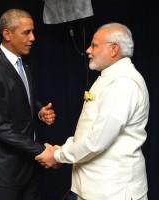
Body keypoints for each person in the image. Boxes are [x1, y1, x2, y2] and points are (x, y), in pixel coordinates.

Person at [35, 22, 149, 200]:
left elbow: (97, 141)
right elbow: (90, 131)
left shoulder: (123, 84)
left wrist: (58, 155)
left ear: (113, 49)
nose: (88, 50)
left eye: (94, 45)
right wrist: (63, 150)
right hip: (98, 188)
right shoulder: (109, 77)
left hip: (113, 191)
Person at [0, 8, 55, 200]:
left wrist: (38, 110)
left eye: (33, 31)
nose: (33, 38)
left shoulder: (23, 63)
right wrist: (41, 150)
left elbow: (23, 96)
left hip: (30, 164)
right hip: (7, 170)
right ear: (7, 34)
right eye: (26, 32)